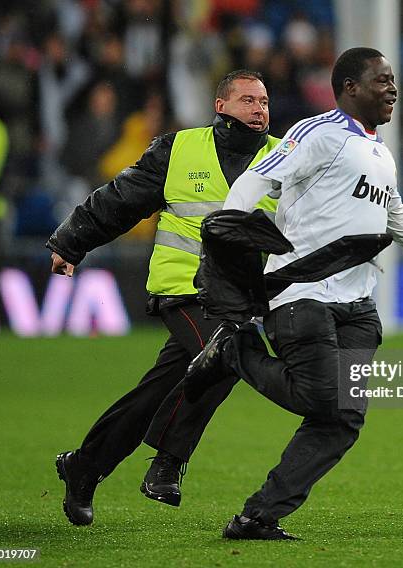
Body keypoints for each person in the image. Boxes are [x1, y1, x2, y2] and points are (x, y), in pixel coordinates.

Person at [183, 47, 403, 540]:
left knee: (343, 419)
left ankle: (258, 517)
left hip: (356, 305)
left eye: (393, 81)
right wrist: (226, 236)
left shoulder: (381, 154)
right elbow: (257, 178)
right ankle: (233, 351)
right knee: (322, 397)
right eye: (382, 80)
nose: (392, 88)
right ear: (350, 88)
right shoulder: (318, 133)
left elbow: (394, 214)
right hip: (303, 293)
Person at [47, 70, 279, 526]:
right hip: (183, 288)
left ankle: (84, 465)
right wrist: (70, 242)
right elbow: (121, 198)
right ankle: (167, 464)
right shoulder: (179, 148)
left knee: (156, 393)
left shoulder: (282, 158)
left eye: (265, 102)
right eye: (248, 100)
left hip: (239, 299)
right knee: (228, 357)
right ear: (221, 106)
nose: (259, 110)